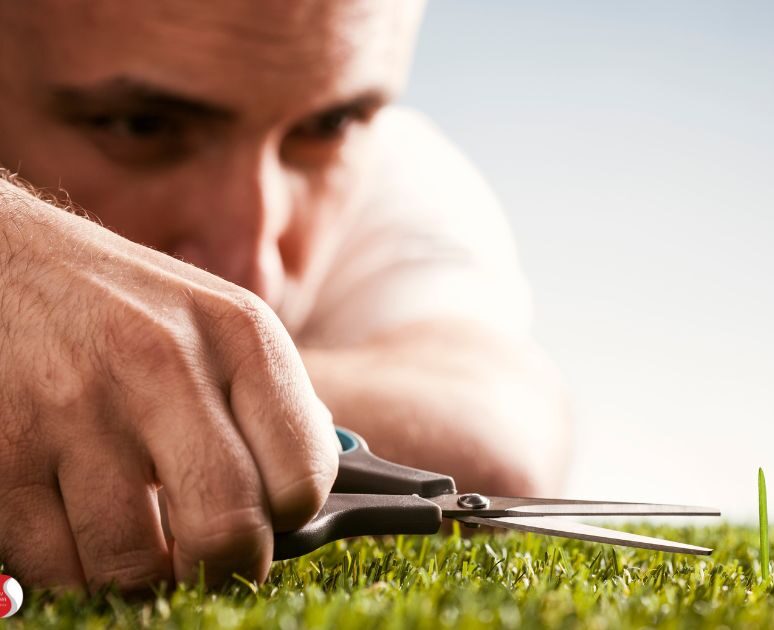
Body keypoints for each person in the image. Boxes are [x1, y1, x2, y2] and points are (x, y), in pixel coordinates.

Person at [0, 1, 570, 593]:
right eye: (139, 124)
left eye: (331, 124)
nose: (254, 269)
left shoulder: (397, 168)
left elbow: (495, 436)